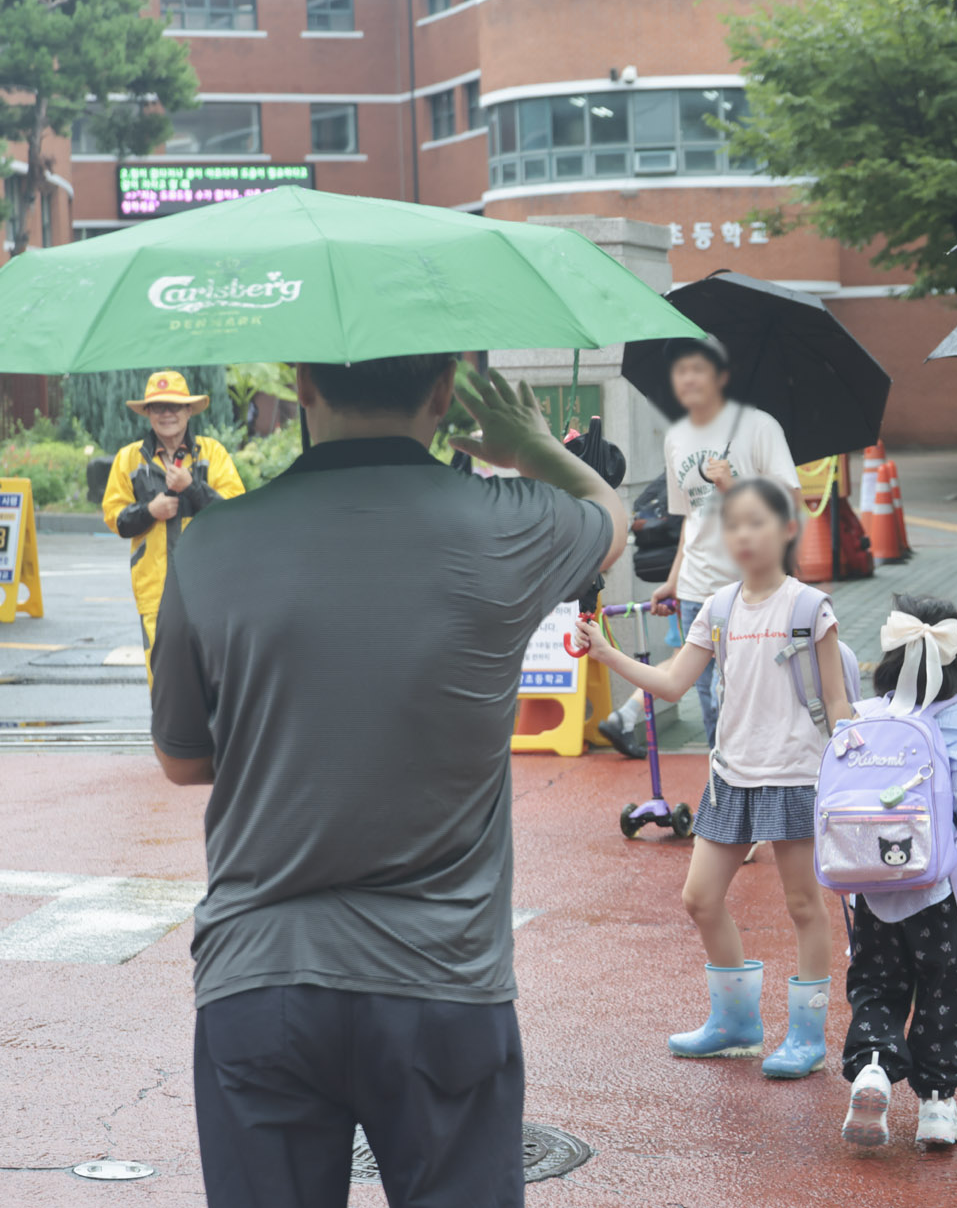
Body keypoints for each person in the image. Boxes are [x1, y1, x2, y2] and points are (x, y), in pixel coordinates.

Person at [148, 358, 625, 1206]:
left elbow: (183, 759)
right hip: (443, 982)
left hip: (260, 974)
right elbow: (608, 517)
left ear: (303, 386)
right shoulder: (507, 522)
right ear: (442, 393)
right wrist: (531, 447)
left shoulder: (212, 541)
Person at [576, 478, 856, 1079]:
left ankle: (806, 1037)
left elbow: (837, 701)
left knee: (804, 905)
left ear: (786, 530)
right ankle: (736, 1025)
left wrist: (854, 768)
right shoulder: (719, 608)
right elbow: (673, 682)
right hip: (731, 775)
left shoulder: (809, 608)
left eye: (756, 522)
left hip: (796, 776)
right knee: (700, 898)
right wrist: (606, 653)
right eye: (733, 526)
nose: (743, 536)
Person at [838, 594, 957, 1150]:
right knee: (939, 987)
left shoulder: (865, 716)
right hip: (939, 884)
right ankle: (937, 1106)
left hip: (872, 884)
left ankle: (872, 1068)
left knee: (876, 982)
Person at [598, 336, 800, 753]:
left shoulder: (760, 427)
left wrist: (735, 484)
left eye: (697, 368)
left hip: (753, 591)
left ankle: (755, 781)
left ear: (721, 375)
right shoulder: (677, 437)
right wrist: (675, 579)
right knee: (711, 705)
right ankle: (722, 785)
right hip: (696, 592)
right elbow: (691, 516)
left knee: (758, 699)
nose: (688, 378)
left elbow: (790, 503)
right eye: (680, 370)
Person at [99, 371, 244, 680]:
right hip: (155, 591)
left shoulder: (213, 454)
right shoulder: (128, 460)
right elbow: (116, 519)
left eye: (175, 406)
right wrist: (150, 510)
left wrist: (192, 487)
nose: (167, 413)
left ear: (188, 411)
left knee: (211, 675)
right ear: (148, 413)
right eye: (158, 407)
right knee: (163, 678)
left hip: (208, 586)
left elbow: (233, 513)